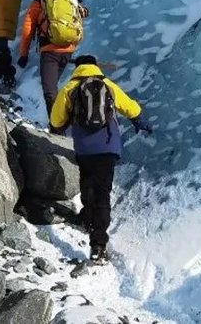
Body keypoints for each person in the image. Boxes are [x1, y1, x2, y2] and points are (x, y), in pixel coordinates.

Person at [49, 55, 153, 263]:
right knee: (102, 191)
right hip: (108, 146)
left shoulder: (70, 88)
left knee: (87, 184)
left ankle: (87, 219)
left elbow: (56, 120)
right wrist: (139, 122)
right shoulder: (107, 84)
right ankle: (99, 245)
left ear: (77, 68)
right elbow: (131, 108)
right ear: (95, 66)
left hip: (84, 148)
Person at [17, 0, 89, 115]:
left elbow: (27, 31)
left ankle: (57, 128)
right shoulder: (68, 1)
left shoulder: (38, 4)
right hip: (68, 51)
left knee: (50, 92)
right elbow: (83, 13)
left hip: (50, 52)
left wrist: (23, 54)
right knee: (54, 88)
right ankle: (65, 120)